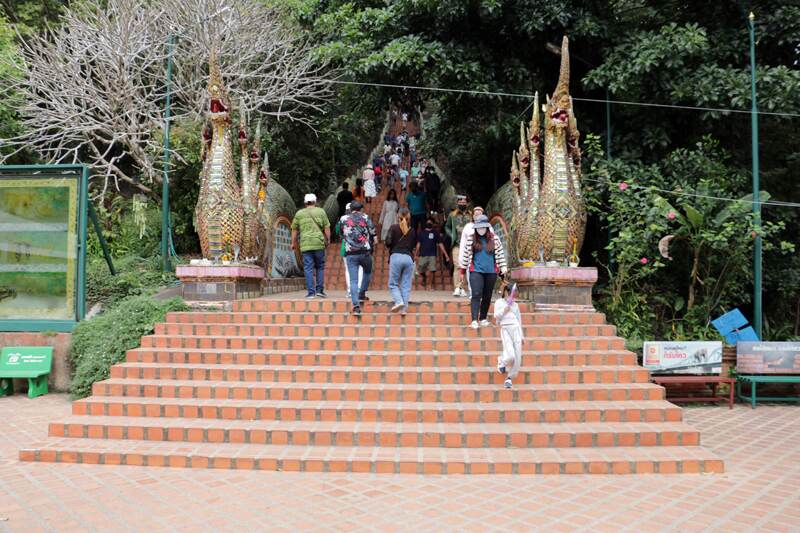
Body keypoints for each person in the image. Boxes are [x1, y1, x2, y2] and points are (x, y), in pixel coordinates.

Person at [458, 214, 508, 329]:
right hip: (475, 270)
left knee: (487, 295)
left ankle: (483, 318)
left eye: (483, 227)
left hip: (491, 271)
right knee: (476, 294)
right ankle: (474, 319)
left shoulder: (494, 238)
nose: (480, 230)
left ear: (487, 227)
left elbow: (500, 254)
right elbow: (466, 256)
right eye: (478, 227)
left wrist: (503, 268)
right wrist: (462, 271)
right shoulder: (471, 238)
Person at [291, 193, 330, 299]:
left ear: (305, 202)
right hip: (318, 244)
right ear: (315, 201)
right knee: (320, 267)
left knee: (308, 268)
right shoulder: (321, 211)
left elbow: (294, 229)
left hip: (305, 244)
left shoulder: (299, 213)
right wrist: (328, 239)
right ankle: (320, 291)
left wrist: (293, 242)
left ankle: (311, 293)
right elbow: (326, 227)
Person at [341, 201, 376, 315]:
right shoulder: (365, 217)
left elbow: (341, 233)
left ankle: (356, 306)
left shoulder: (343, 219)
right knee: (367, 272)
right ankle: (362, 293)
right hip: (365, 252)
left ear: (350, 209)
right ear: (361, 209)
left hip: (350, 253)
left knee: (353, 280)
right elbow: (373, 232)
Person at [385, 208, 416, 315]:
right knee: (406, 285)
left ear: (398, 216)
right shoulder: (412, 230)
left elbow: (388, 243)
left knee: (393, 284)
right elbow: (413, 245)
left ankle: (399, 302)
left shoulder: (393, 228)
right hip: (408, 258)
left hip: (396, 257)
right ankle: (403, 310)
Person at [494, 284, 524, 389]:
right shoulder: (499, 302)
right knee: (510, 355)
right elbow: (496, 316)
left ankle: (509, 378)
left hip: (516, 330)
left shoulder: (515, 305)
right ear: (506, 292)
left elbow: (519, 319)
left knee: (518, 356)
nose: (514, 295)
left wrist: (522, 336)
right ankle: (502, 361)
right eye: (512, 292)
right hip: (506, 329)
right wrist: (504, 310)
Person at [444, 196, 472, 297]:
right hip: (457, 244)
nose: (462, 203)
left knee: (466, 266)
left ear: (467, 203)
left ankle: (463, 288)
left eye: (464, 202)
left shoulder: (471, 215)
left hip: (469, 244)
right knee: (458, 265)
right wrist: (452, 235)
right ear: (457, 203)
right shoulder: (452, 215)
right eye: (460, 201)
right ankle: (457, 287)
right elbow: (446, 227)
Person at [415, 216, 450, 290]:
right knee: (420, 270)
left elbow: (440, 244)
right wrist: (416, 254)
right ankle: (424, 277)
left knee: (432, 270)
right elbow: (418, 244)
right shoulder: (421, 233)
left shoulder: (435, 233)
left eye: (431, 222)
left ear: (433, 224)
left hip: (432, 255)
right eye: (428, 222)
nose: (429, 223)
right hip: (422, 254)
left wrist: (446, 255)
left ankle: (430, 286)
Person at [335, 203, 363, 294]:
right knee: (360, 268)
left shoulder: (342, 219)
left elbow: (337, 230)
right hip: (360, 246)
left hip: (346, 246)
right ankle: (358, 288)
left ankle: (350, 290)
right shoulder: (362, 218)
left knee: (348, 269)